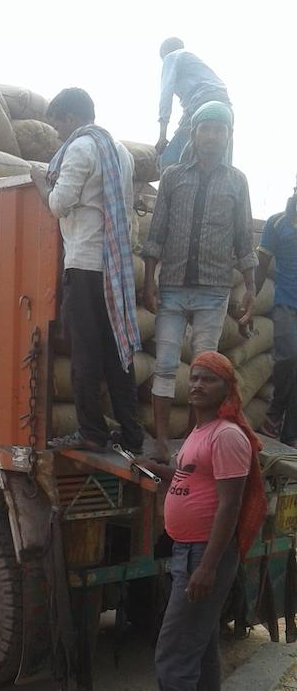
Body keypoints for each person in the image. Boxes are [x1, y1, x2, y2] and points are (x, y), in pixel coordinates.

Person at [129, 352, 267, 691]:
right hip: (188, 549)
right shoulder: (199, 432)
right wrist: (158, 472)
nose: (198, 385)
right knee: (202, 639)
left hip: (204, 553)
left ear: (227, 389)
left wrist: (207, 566)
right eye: (195, 378)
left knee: (173, 646)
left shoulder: (227, 436)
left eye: (209, 380)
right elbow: (191, 479)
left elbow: (230, 504)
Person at [142, 101, 257, 462]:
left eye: (219, 129)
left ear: (229, 135)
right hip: (173, 286)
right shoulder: (174, 176)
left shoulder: (237, 181)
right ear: (194, 132)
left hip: (213, 290)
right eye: (205, 128)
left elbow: (243, 239)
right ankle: (162, 441)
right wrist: (149, 281)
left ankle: (195, 441)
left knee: (204, 371)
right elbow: (156, 232)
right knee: (163, 364)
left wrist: (251, 287)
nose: (212, 136)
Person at [30, 87, 144, 453]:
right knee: (117, 354)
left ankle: (91, 432)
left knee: (85, 354)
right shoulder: (120, 153)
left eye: (58, 123)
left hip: (83, 266)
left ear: (71, 117)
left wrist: (39, 185)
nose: (57, 133)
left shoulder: (80, 149)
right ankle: (131, 434)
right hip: (114, 269)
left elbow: (60, 204)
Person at [256, 185, 297, 445]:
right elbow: (260, 268)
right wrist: (250, 301)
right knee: (288, 356)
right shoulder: (276, 223)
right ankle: (274, 412)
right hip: (286, 303)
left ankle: (290, 432)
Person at [156, 37, 231, 170]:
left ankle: (170, 188)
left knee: (170, 159)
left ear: (164, 52)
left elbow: (165, 94)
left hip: (204, 101)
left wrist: (162, 136)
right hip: (224, 106)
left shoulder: (171, 57)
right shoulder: (191, 62)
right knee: (218, 157)